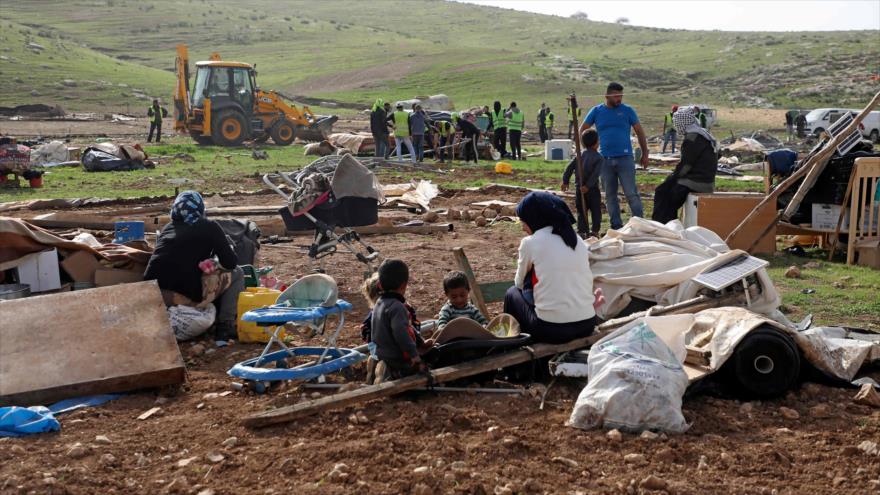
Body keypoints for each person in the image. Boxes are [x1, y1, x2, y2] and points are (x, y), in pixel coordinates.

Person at [144, 191, 244, 340]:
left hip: (151, 294)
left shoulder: (169, 227)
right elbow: (230, 263)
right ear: (200, 208)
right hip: (180, 296)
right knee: (238, 273)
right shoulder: (209, 226)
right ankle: (225, 325)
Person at [503, 192, 598, 344]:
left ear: (534, 219)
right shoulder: (578, 240)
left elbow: (519, 284)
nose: (523, 227)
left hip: (552, 330)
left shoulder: (530, 243)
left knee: (511, 293)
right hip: (587, 324)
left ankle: (513, 344)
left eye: (523, 221)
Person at [581, 82, 648, 230]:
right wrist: (586, 152)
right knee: (610, 195)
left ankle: (640, 225)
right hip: (604, 160)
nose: (619, 99)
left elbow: (639, 131)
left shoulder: (627, 111)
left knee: (631, 193)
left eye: (621, 96)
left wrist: (645, 153)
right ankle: (616, 225)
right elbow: (583, 129)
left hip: (625, 158)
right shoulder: (596, 111)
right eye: (616, 96)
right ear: (607, 96)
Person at [651, 107, 719, 224]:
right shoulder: (702, 133)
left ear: (682, 122)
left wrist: (672, 177)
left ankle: (662, 226)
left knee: (663, 194)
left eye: (677, 123)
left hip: (696, 182)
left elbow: (686, 165)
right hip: (705, 180)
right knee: (665, 192)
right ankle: (667, 224)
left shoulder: (692, 138)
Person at [371, 259, 428, 377]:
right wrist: (414, 356)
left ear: (379, 285)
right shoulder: (397, 307)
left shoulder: (379, 302)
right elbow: (401, 333)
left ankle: (378, 365)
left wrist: (421, 342)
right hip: (396, 356)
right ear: (404, 285)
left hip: (380, 352)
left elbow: (407, 326)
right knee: (422, 367)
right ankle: (392, 372)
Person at [562, 129, 603, 237]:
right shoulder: (599, 158)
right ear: (596, 143)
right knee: (595, 211)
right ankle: (594, 231)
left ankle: (582, 231)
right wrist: (588, 186)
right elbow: (595, 175)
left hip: (579, 189)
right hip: (592, 190)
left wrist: (565, 181)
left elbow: (569, 168)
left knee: (581, 211)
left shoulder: (580, 155)